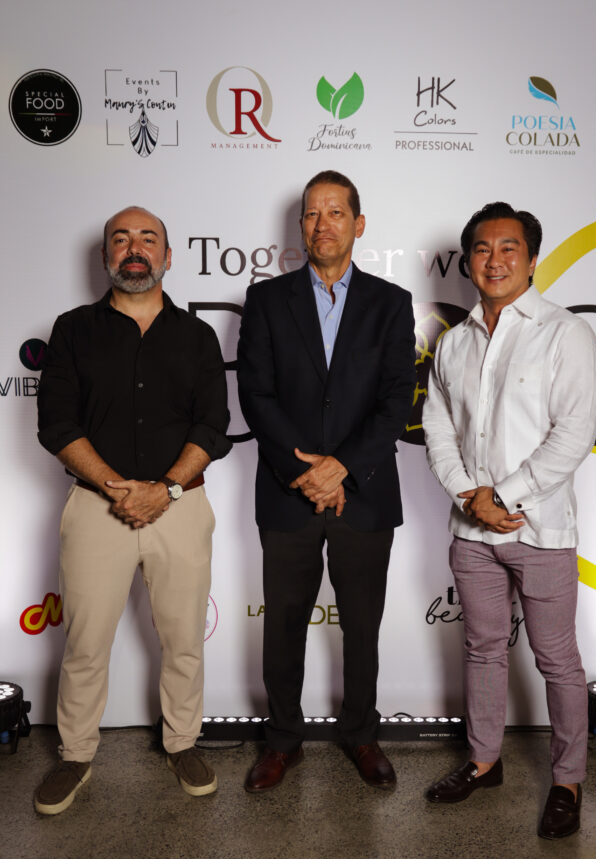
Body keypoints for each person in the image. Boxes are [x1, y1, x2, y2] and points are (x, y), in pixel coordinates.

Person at [34, 206, 231, 814]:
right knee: (85, 643)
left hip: (181, 506)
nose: (134, 248)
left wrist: (164, 488)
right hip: (97, 508)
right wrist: (117, 487)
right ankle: (75, 755)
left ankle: (183, 743)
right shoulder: (72, 330)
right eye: (121, 239)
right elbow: (56, 423)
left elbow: (213, 426)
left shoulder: (197, 336)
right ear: (105, 256)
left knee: (183, 640)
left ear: (168, 257)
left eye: (148, 239)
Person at [422, 201, 596, 838]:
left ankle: (568, 781)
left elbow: (573, 434)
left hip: (541, 530)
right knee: (482, 649)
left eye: (509, 248)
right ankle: (484, 760)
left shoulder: (566, 333)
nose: (494, 260)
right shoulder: (454, 342)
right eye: (482, 248)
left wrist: (503, 495)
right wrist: (468, 495)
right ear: (468, 260)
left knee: (557, 660)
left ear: (532, 260)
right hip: (471, 533)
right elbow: (438, 429)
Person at [237, 170, 415, 791]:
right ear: (301, 226)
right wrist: (305, 472)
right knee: (283, 625)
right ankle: (282, 740)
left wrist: (343, 467)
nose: (323, 224)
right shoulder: (267, 300)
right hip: (288, 494)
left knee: (362, 626)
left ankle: (361, 734)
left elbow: (396, 398)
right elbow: (256, 394)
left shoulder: (391, 303)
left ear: (358, 224)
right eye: (312, 214)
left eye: (336, 212)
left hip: (364, 494)